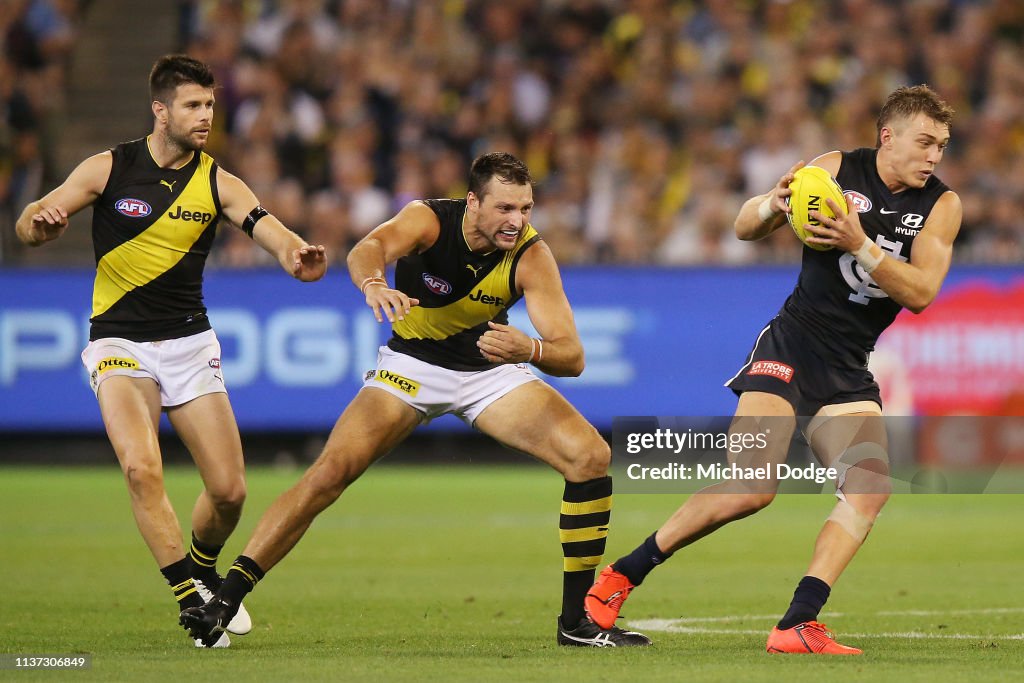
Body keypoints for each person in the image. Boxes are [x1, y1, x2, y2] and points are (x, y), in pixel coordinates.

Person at [180, 152, 651, 648]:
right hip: (412, 367)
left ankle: (575, 624)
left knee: (590, 456)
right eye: (505, 208)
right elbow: (368, 248)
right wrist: (374, 284)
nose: (517, 221)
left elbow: (572, 356)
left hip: (488, 371)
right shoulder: (429, 220)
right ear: (473, 202)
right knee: (330, 474)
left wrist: (530, 349)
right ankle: (225, 600)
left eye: (525, 208)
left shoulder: (532, 256)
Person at [586, 85, 961, 655]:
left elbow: (923, 292)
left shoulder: (941, 204)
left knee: (869, 489)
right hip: (791, 345)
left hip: (846, 365)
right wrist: (771, 205)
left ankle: (796, 624)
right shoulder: (834, 170)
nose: (935, 156)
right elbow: (745, 225)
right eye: (926, 142)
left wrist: (860, 244)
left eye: (942, 145)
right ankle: (621, 576)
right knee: (751, 487)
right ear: (889, 137)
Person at [15, 54, 327, 648]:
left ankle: (204, 568)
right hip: (118, 342)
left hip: (189, 343)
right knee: (141, 466)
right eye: (193, 105)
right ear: (160, 110)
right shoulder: (109, 167)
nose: (206, 115)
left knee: (230, 492)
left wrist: (295, 254)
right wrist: (39, 225)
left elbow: (268, 228)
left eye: (209, 104)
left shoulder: (218, 181)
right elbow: (31, 221)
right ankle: (191, 601)